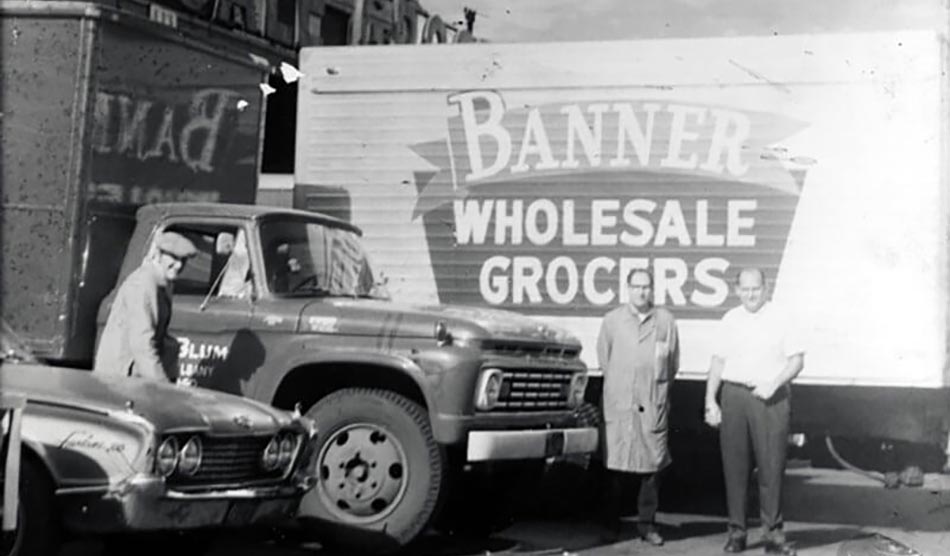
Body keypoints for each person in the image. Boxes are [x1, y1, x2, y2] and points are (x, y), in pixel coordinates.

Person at [704, 268, 804, 556]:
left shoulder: (781, 317)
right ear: (737, 290)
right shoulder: (730, 319)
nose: (751, 294)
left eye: (756, 289)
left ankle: (773, 536)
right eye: (745, 289)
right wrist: (711, 400)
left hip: (770, 399)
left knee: (771, 468)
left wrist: (774, 383)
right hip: (734, 396)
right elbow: (717, 362)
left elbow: (797, 361)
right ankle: (737, 533)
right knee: (735, 468)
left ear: (766, 288)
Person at [596, 268, 679, 546]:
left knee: (652, 468)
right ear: (627, 289)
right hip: (620, 404)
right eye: (636, 286)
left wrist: (654, 390)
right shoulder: (612, 321)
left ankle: (648, 526)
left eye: (646, 287)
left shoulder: (665, 321)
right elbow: (604, 359)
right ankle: (610, 524)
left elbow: (672, 363)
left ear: (652, 289)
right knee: (615, 466)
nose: (641, 292)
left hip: (651, 403)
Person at [94, 231, 197, 382]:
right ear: (158, 254)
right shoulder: (143, 284)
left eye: (183, 260)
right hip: (120, 377)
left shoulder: (163, 283)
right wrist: (163, 387)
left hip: (136, 373)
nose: (179, 265)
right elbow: (142, 344)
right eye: (174, 258)